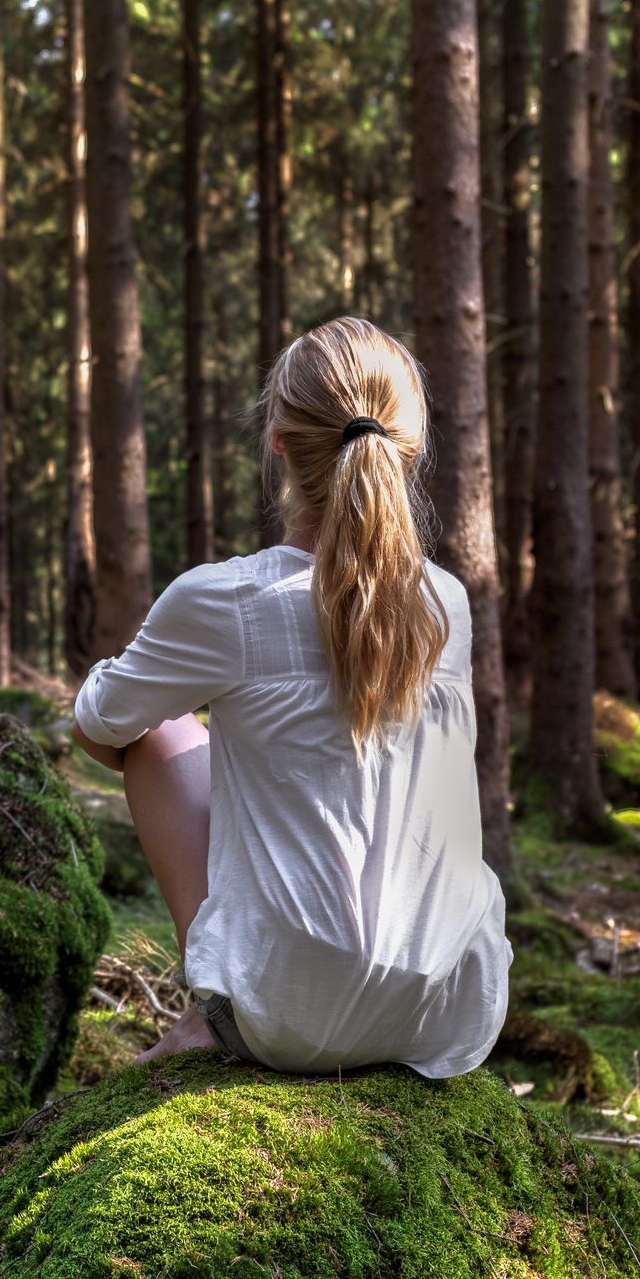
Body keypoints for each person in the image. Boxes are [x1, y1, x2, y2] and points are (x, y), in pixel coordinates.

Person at [70, 315, 511, 1077]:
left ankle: (212, 1009)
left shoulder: (226, 600)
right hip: (448, 1012)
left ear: (278, 440)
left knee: (159, 731)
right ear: (407, 444)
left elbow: (98, 724)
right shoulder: (446, 602)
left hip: (287, 1020)